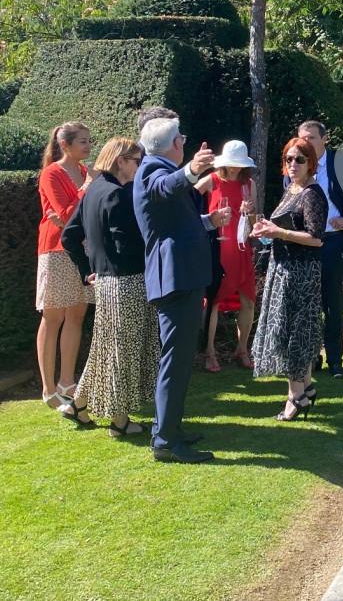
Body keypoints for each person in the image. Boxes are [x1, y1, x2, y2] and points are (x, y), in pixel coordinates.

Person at [134, 116, 230, 463]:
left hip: (180, 278)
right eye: (181, 138)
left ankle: (168, 429)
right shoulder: (151, 170)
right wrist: (190, 171)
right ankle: (165, 440)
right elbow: (164, 188)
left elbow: (171, 221)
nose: (185, 142)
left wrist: (207, 221)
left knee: (177, 359)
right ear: (173, 144)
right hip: (174, 280)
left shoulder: (158, 168)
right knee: (174, 361)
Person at [58, 138, 159, 437]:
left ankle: (79, 405)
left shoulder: (92, 192)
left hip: (106, 284)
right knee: (122, 353)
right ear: (121, 161)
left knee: (106, 349)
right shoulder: (118, 195)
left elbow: (69, 236)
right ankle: (119, 420)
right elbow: (125, 246)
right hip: (127, 283)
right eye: (136, 161)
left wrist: (89, 270)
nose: (140, 166)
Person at [250, 138, 328, 421]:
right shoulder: (291, 189)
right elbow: (283, 225)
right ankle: (305, 388)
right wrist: (266, 229)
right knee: (291, 331)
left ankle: (295, 397)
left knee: (296, 332)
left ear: (311, 163)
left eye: (300, 160)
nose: (293, 165)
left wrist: (280, 234)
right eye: (288, 159)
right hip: (281, 270)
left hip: (301, 274)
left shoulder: (312, 194)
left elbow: (316, 238)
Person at [295, 120, 343, 380]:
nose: (306, 143)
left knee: (332, 303)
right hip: (304, 242)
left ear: (325, 139)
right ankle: (312, 357)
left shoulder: (341, 163)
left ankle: (335, 361)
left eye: (311, 138)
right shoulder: (296, 163)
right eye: (302, 138)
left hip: (332, 241)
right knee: (308, 303)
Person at [35, 121, 95, 409]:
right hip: (56, 251)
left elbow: (80, 213)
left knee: (76, 315)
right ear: (65, 145)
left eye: (89, 140)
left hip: (81, 251)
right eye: (83, 141)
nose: (88, 146)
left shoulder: (84, 172)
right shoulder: (52, 173)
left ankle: (67, 382)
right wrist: (86, 188)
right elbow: (67, 213)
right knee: (53, 316)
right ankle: (48, 388)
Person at [195, 140, 257, 372]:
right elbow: (185, 201)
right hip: (218, 249)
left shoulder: (249, 184)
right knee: (214, 301)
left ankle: (242, 349)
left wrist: (250, 214)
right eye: (231, 164)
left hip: (242, 248)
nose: (234, 169)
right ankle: (209, 352)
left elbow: (255, 223)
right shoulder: (211, 180)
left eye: (238, 165)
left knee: (248, 300)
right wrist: (206, 218)